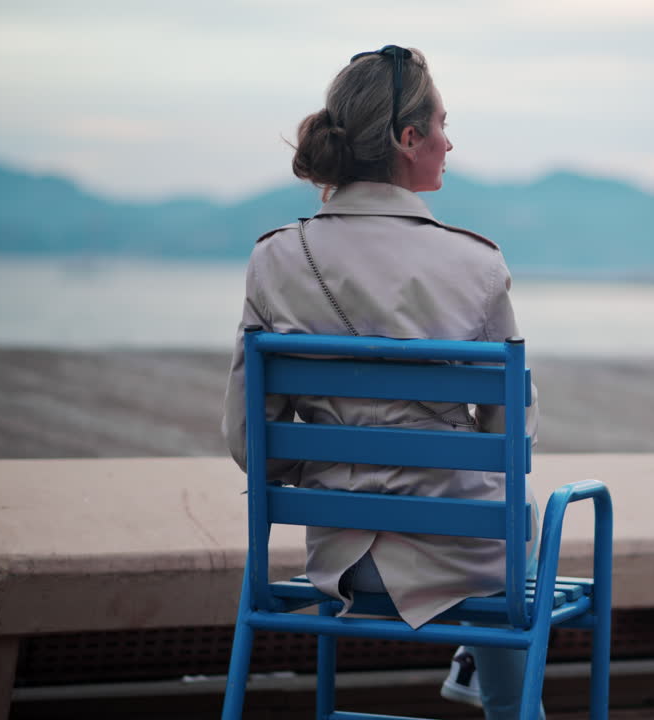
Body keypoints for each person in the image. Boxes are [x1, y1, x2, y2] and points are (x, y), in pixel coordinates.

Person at [221, 45, 543, 720]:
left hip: (336, 558)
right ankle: (506, 702)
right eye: (442, 124)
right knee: (526, 518)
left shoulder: (275, 257)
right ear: (407, 138)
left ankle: (484, 679)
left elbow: (252, 441)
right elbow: (510, 441)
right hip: (459, 569)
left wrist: (336, 457)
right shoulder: (475, 264)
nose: (450, 142)